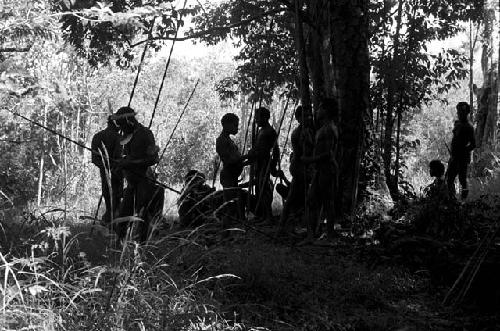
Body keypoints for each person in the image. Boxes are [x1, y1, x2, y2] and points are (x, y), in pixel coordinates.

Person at [112, 106, 164, 242]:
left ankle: (142, 243)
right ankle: (119, 243)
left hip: (144, 180)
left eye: (122, 125)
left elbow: (153, 159)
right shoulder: (126, 136)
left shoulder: (145, 134)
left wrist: (131, 163)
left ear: (129, 121)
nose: (121, 129)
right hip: (131, 182)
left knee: (142, 213)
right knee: (124, 213)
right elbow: (128, 157)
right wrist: (121, 164)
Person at [301, 98, 339, 244]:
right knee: (311, 200)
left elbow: (328, 154)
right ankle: (310, 236)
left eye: (320, 108)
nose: (317, 111)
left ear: (326, 111)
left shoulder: (329, 128)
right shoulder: (322, 129)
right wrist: (309, 140)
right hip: (320, 170)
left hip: (327, 170)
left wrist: (309, 160)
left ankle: (329, 237)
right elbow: (319, 148)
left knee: (328, 202)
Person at [278, 105, 314, 232]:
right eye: (305, 116)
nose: (309, 118)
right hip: (298, 167)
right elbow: (301, 154)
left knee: (301, 195)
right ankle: (284, 223)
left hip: (304, 166)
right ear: (298, 118)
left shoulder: (309, 130)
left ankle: (293, 222)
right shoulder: (298, 133)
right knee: (294, 195)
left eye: (310, 115)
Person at [216, 113, 249, 230]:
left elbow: (236, 161)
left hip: (232, 176)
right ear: (227, 125)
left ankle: (231, 229)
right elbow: (229, 161)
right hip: (228, 176)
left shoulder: (228, 140)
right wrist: (244, 157)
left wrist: (246, 160)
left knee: (234, 203)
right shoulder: (221, 141)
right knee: (229, 205)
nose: (237, 128)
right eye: (235, 125)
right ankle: (225, 231)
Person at [248, 107, 280, 221]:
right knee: (259, 187)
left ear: (265, 118)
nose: (256, 120)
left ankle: (268, 216)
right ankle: (262, 214)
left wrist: (273, 166)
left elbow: (276, 150)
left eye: (257, 118)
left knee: (264, 189)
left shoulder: (270, 131)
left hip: (265, 163)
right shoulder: (261, 131)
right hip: (258, 163)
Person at [91, 116, 123, 224]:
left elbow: (94, 159)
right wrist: (108, 167)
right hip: (114, 173)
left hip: (110, 172)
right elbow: (95, 158)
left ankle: (111, 218)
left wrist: (105, 167)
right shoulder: (119, 138)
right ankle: (111, 219)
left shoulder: (98, 136)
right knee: (115, 195)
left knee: (110, 195)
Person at [446, 102, 476, 200]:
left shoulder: (469, 127)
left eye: (460, 112)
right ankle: (452, 199)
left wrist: (463, 151)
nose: (458, 114)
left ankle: (463, 201)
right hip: (454, 157)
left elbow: (473, 144)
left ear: (466, 113)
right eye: (458, 111)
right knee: (449, 179)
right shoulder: (457, 124)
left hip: (462, 158)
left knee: (462, 180)